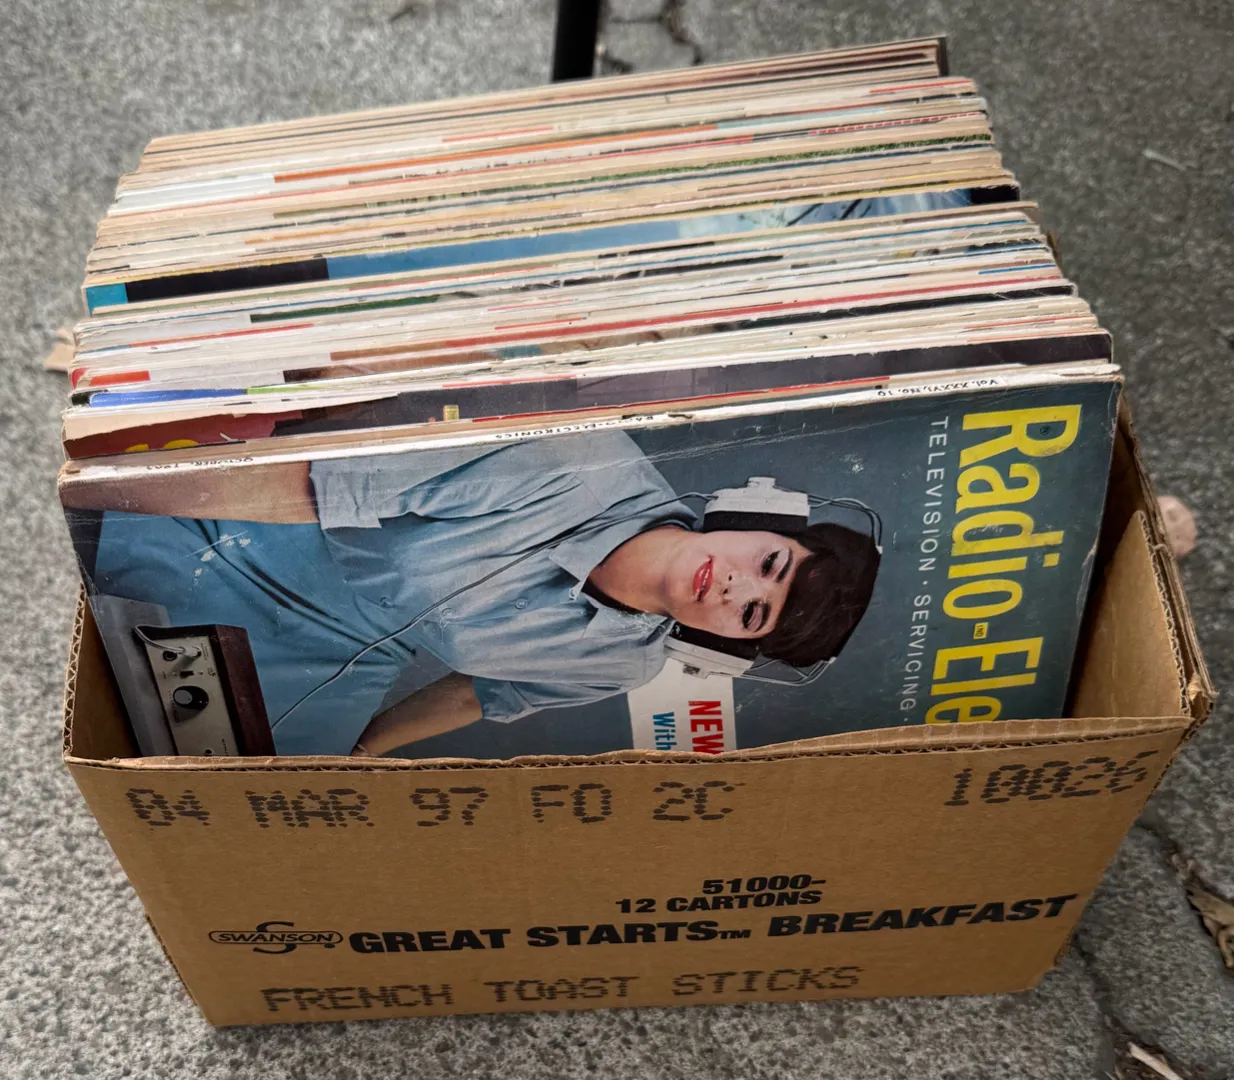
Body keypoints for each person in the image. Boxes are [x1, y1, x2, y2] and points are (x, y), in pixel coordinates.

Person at [66, 429, 880, 757]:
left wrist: (358, 755)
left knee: (244, 814)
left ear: (730, 643)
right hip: (254, 543)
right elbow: (308, 484)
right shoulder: (572, 461)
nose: (737, 584)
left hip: (354, 654)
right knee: (144, 710)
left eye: (753, 613)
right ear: (752, 519)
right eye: (769, 562)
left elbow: (477, 693)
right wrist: (101, 484)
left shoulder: (625, 663)